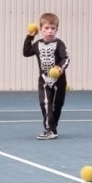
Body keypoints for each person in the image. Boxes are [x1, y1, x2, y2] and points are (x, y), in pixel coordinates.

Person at [23, 12, 70, 140]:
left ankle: (53, 128)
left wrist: (59, 68)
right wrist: (30, 36)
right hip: (43, 80)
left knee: (57, 105)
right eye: (46, 28)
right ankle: (49, 129)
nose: (50, 31)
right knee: (45, 103)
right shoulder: (38, 44)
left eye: (53, 28)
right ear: (41, 29)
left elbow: (66, 58)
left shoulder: (59, 44)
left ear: (57, 29)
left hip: (59, 80)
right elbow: (26, 52)